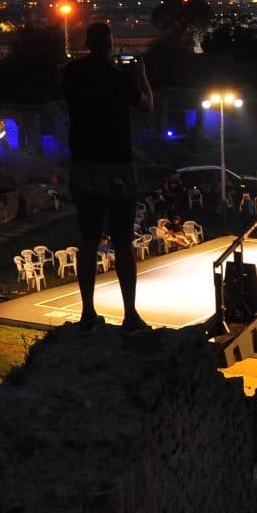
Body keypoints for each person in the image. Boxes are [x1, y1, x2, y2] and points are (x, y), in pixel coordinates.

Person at [63, 22, 154, 335]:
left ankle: (88, 313)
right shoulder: (118, 79)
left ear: (87, 43)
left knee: (88, 241)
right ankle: (130, 315)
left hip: (83, 165)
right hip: (117, 167)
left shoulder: (71, 74)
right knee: (123, 242)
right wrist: (141, 76)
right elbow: (147, 106)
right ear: (110, 45)